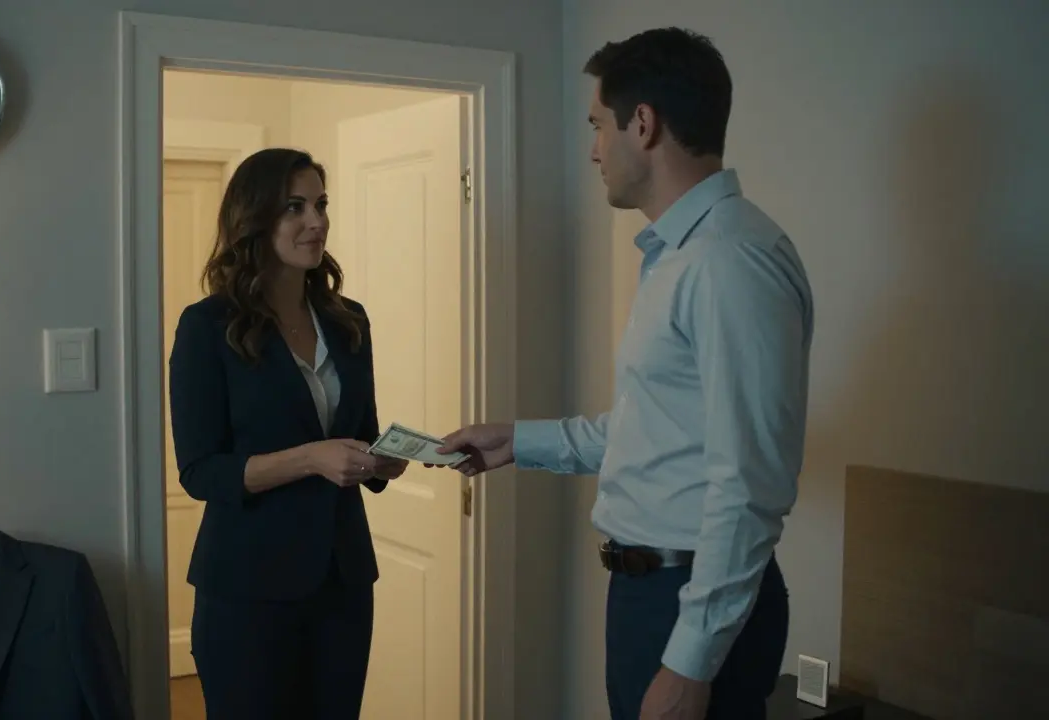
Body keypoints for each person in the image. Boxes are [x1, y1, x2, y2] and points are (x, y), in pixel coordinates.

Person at [430, 28, 813, 720]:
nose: (594, 149)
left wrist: (690, 661)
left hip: (688, 601)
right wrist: (516, 439)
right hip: (654, 594)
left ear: (644, 124)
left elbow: (750, 481)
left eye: (598, 125)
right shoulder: (677, 255)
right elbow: (656, 431)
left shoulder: (727, 262)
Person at [167, 147, 408, 719]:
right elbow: (202, 471)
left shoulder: (349, 320)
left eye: (321, 204)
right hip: (246, 586)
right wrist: (310, 459)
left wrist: (385, 460)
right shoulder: (207, 327)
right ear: (255, 219)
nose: (316, 221)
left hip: (343, 581)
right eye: (294, 207)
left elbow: (362, 433)